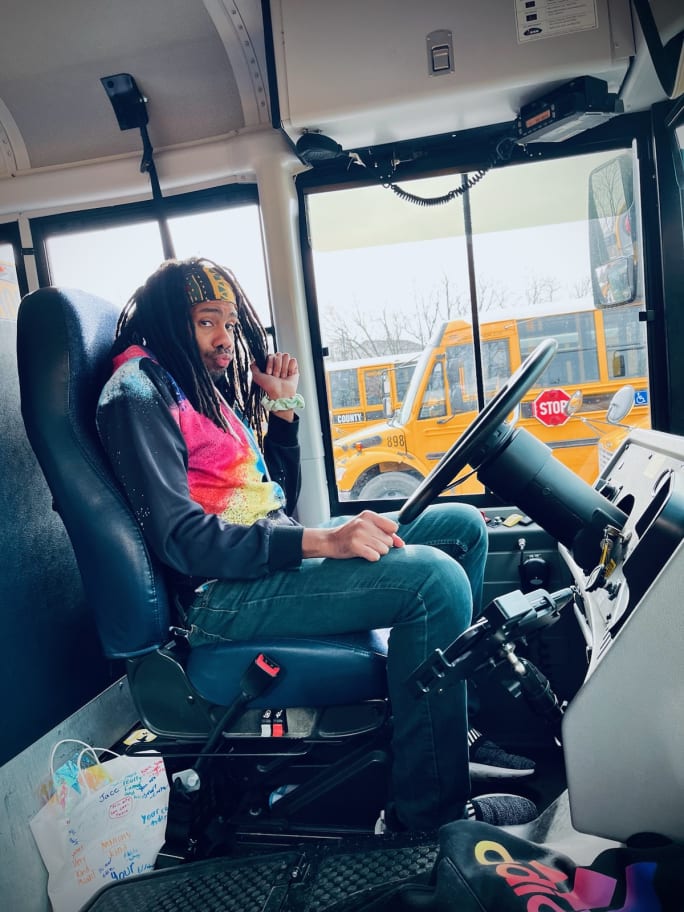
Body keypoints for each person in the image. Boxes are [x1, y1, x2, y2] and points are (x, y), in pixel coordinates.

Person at [96, 257, 536, 833]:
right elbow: (181, 541)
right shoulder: (136, 391)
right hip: (217, 597)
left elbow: (266, 499)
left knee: (461, 527)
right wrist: (324, 540)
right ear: (167, 322)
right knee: (436, 581)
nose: (225, 341)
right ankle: (428, 819)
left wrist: (282, 412)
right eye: (207, 323)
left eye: (229, 324)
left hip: (257, 569)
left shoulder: (197, 389)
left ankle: (455, 732)